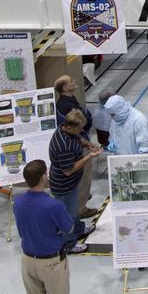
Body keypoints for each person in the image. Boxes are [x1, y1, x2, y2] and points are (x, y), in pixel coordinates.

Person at [15, 159, 81, 294]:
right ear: (44, 177)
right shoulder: (53, 206)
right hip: (51, 263)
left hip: (28, 260)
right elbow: (68, 227)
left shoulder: (18, 202)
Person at [48, 110, 103, 251]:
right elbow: (68, 170)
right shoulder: (63, 146)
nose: (81, 131)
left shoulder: (65, 127)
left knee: (74, 209)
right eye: (79, 128)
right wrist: (89, 156)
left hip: (71, 183)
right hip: (63, 185)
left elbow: (78, 137)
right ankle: (70, 244)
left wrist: (87, 144)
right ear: (70, 127)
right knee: (68, 216)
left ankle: (79, 229)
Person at [53, 74, 99, 218]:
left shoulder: (68, 100)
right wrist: (88, 153)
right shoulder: (66, 106)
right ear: (65, 88)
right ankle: (81, 208)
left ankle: (80, 198)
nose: (74, 81)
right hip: (79, 151)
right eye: (71, 81)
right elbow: (69, 170)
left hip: (81, 142)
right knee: (84, 177)